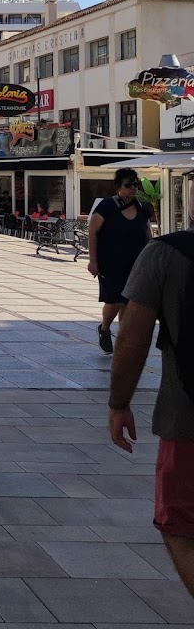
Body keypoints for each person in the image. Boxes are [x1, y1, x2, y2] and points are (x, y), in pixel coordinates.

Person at [108, 191, 194, 598]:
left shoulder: (165, 254)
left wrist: (119, 404)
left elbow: (132, 339)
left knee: (180, 524)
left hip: (187, 420)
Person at [88, 168, 152, 354]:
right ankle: (105, 328)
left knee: (129, 301)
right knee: (115, 300)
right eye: (128, 185)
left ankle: (123, 336)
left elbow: (148, 234)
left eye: (135, 184)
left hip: (136, 263)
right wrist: (93, 260)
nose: (133, 188)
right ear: (118, 186)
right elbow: (93, 232)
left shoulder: (141, 208)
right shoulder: (107, 206)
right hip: (110, 263)